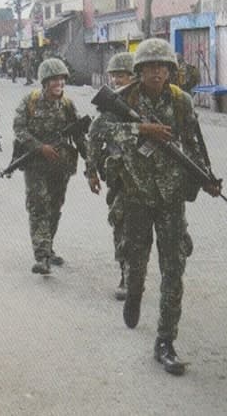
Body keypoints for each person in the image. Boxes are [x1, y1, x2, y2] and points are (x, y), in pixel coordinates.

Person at [93, 38, 219, 376]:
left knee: (174, 269)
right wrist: (141, 129)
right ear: (139, 70)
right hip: (135, 193)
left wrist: (206, 176)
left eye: (163, 67)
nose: (157, 73)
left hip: (171, 197)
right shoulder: (123, 99)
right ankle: (134, 293)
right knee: (137, 262)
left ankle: (165, 341)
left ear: (171, 71)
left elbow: (193, 142)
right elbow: (99, 132)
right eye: (150, 67)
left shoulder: (182, 102)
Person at [14, 58, 88, 275]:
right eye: (54, 80)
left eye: (61, 79)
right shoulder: (30, 101)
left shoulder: (67, 105)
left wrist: (90, 164)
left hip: (60, 165)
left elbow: (79, 136)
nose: (59, 83)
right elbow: (19, 128)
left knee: (54, 208)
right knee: (38, 208)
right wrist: (39, 146)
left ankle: (48, 246)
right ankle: (42, 255)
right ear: (45, 82)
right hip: (36, 164)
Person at [86, 51, 135, 300]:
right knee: (121, 224)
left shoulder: (145, 102)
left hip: (153, 177)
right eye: (114, 76)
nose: (117, 81)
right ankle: (126, 276)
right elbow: (94, 139)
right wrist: (91, 172)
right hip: (120, 176)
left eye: (123, 75)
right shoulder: (110, 107)